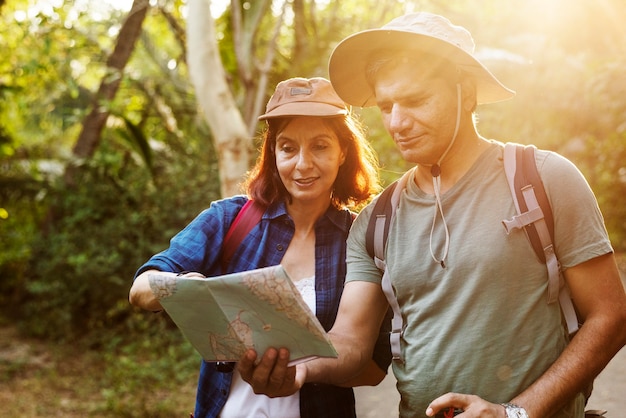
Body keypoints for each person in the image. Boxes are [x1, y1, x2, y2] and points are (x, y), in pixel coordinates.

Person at [238, 12, 626, 418]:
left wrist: (516, 412)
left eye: (417, 100)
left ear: (467, 94)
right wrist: (300, 370)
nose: (397, 122)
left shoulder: (542, 179)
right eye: (386, 106)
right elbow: (351, 344)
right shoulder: (377, 221)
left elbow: (611, 316)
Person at [128, 76, 391, 417]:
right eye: (288, 147)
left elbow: (374, 368)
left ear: (343, 151)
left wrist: (303, 370)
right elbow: (141, 287)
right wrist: (181, 288)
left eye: (320, 146)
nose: (302, 164)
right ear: (273, 152)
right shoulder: (229, 218)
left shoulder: (360, 239)